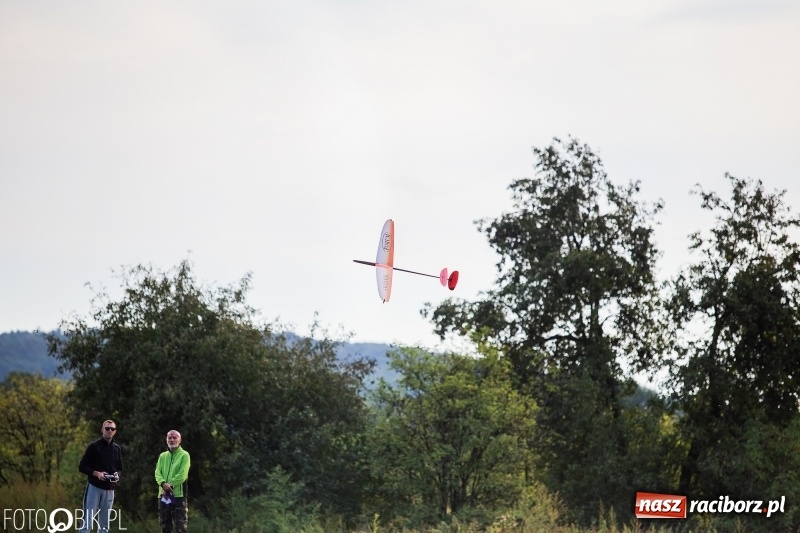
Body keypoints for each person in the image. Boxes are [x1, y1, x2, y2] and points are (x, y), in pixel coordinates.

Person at [77, 419, 123, 533]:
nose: (110, 431)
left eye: (112, 429)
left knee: (104, 525)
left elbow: (120, 468)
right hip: (94, 487)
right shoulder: (94, 446)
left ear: (115, 432)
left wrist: (117, 475)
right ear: (102, 430)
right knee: (87, 521)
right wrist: (96, 473)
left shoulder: (117, 449)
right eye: (107, 428)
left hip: (110, 489)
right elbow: (82, 466)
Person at [155, 430, 191, 533]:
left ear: (180, 440)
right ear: (166, 440)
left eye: (174, 437)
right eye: (169, 437)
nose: (172, 439)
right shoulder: (162, 456)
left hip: (177, 495)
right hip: (164, 496)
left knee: (180, 526)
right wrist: (163, 484)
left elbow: (182, 474)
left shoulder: (185, 455)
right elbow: (157, 472)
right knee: (165, 525)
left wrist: (169, 485)